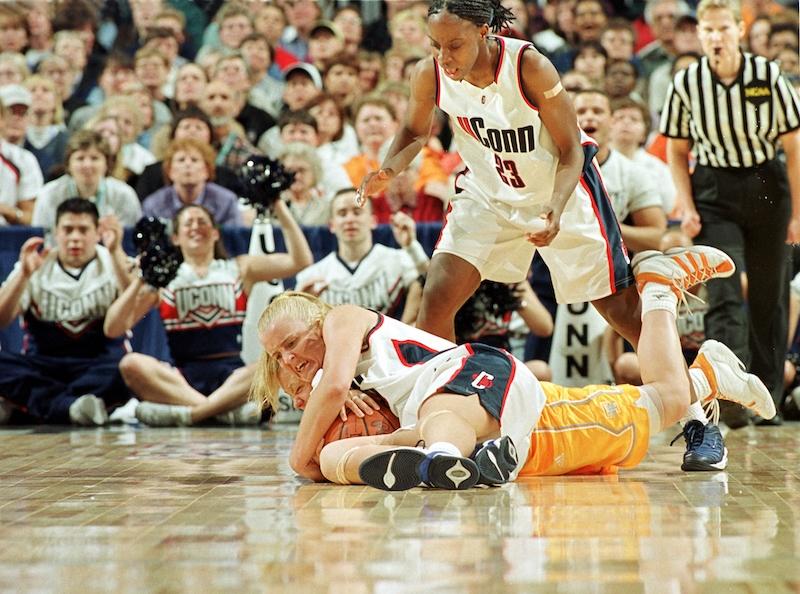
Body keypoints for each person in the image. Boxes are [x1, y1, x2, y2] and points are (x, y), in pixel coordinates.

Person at [253, 245, 775, 488]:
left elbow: (332, 387)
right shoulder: (326, 378)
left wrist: (300, 455)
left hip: (470, 374)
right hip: (490, 416)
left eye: (294, 341)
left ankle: (440, 459)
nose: (291, 358)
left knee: (664, 402)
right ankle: (702, 365)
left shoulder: (342, 320)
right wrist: (321, 455)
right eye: (280, 357)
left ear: (317, 320)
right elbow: (326, 396)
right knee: (669, 399)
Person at [358, 0, 638, 348]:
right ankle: (441, 397)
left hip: (559, 189)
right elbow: (414, 132)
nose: (444, 57)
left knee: (622, 313)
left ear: (483, 31)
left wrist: (555, 207)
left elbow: (571, 150)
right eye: (435, 45)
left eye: (454, 45)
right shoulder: (429, 73)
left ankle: (687, 386)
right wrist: (388, 168)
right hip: (488, 193)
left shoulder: (529, 66)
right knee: (436, 302)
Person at [660, 0, 800, 426]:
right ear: (700, 35)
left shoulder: (767, 75)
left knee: (768, 296)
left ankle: (768, 398)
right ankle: (729, 397)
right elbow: (677, 149)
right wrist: (685, 202)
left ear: (739, 31)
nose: (716, 38)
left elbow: (792, 146)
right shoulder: (687, 82)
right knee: (722, 290)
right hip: (714, 187)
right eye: (708, 31)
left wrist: (796, 211)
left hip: (766, 184)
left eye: (723, 29)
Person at [103, 200, 313, 427]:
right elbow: (113, 328)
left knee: (272, 363)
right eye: (188, 223)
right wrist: (140, 274)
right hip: (182, 379)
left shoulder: (239, 268)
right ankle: (221, 412)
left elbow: (300, 260)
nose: (195, 226)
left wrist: (277, 204)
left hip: (231, 376)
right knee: (131, 364)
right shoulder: (164, 279)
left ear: (215, 233)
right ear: (175, 238)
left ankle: (192, 415)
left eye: (201, 221)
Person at [0, 198, 131, 426]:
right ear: (55, 233)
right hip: (43, 366)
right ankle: (72, 407)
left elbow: (137, 306)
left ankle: (37, 407)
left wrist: (117, 251)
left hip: (97, 366)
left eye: (83, 230)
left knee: (129, 369)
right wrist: (23, 275)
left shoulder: (113, 261)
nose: (75, 238)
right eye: (68, 230)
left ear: (97, 232)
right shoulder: (35, 262)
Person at [295, 188, 428, 324]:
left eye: (357, 212)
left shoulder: (400, 260)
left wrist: (411, 246)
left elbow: (433, 285)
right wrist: (301, 306)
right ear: (332, 225)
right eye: (342, 214)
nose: (350, 219)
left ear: (373, 221)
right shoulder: (312, 276)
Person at [32, 130, 141, 229]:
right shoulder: (49, 194)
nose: (87, 165)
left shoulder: (124, 195)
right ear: (68, 164)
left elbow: (130, 242)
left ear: (107, 164)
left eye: (94, 158)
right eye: (80, 158)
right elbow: (41, 239)